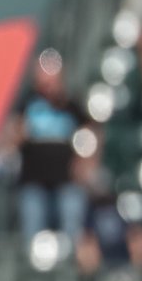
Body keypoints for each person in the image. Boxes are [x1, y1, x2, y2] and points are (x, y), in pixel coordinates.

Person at [9, 49, 92, 249]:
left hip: (66, 180)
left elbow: (90, 136)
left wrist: (85, 164)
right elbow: (14, 139)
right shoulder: (27, 104)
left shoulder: (71, 106)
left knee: (71, 222)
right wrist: (20, 131)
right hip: (33, 179)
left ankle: (70, 267)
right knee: (33, 229)